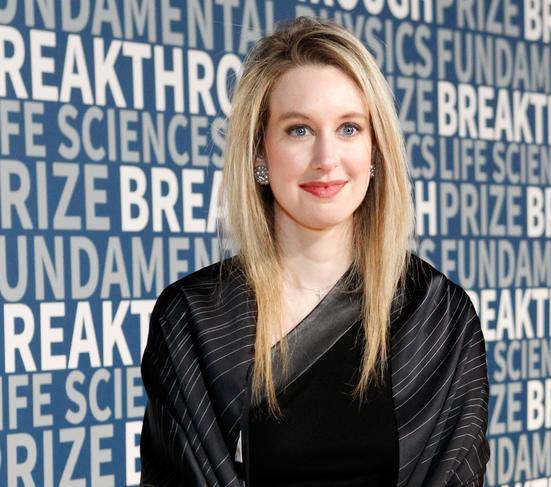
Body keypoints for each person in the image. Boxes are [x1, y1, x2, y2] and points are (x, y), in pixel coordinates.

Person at [139, 16, 489, 487]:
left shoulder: (439, 318)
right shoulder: (194, 322)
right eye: (299, 130)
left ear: (374, 151)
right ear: (260, 153)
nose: (327, 158)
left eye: (349, 128)